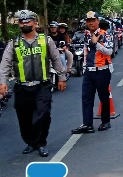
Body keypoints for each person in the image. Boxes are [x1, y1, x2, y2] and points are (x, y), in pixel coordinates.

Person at [0, 10, 67, 157]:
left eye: (28, 21)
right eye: (21, 21)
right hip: (22, 87)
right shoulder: (14, 43)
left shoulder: (46, 40)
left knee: (43, 114)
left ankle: (41, 143)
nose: (24, 24)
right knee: (24, 118)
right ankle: (31, 142)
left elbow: (56, 59)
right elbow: (5, 63)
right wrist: (2, 82)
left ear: (35, 23)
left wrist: (62, 78)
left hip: (42, 86)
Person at [71, 11, 114, 134]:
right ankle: (87, 124)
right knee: (86, 98)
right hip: (89, 71)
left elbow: (109, 52)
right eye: (88, 21)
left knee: (103, 97)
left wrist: (97, 44)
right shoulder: (86, 35)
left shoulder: (105, 35)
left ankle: (105, 121)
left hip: (102, 71)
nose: (90, 23)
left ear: (97, 21)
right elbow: (86, 50)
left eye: (93, 20)